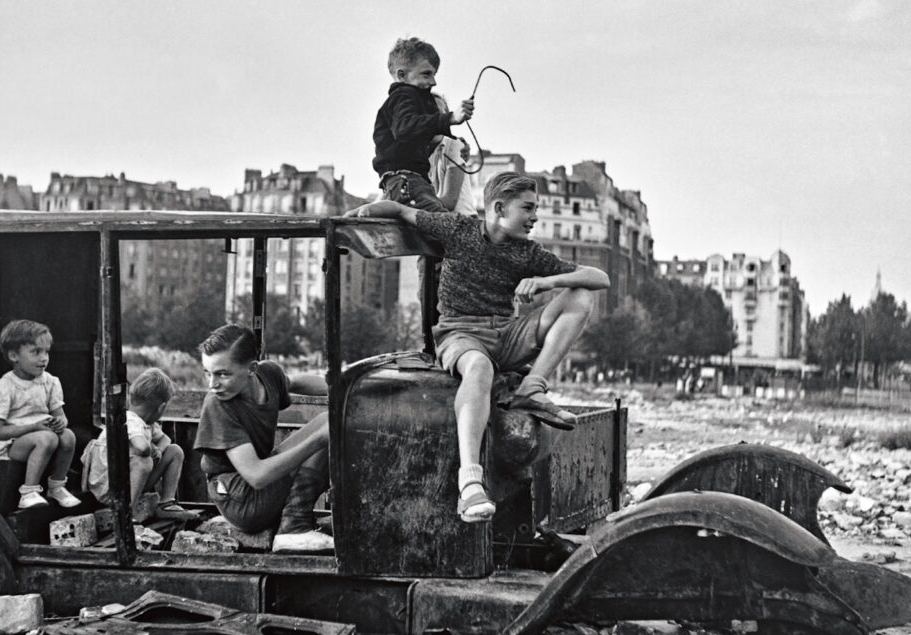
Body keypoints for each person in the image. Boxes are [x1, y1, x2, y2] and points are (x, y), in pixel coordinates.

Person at [345, 172, 610, 523]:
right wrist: (369, 209)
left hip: (506, 333)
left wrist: (548, 280)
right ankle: (470, 484)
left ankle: (533, 386)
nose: (535, 217)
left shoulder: (527, 252)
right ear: (499, 208)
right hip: (460, 334)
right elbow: (403, 211)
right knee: (479, 368)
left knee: (580, 295)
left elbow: (599, 278)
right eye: (527, 208)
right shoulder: (458, 229)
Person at [193, 324, 333, 553]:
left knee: (330, 420)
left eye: (223, 374)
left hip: (259, 488)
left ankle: (294, 520)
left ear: (252, 368)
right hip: (240, 500)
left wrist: (343, 387)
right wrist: (318, 440)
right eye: (208, 373)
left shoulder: (268, 374)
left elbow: (294, 382)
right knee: (324, 432)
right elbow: (257, 476)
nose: (212, 384)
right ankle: (293, 527)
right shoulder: (218, 405)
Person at [0, 319, 81, 510]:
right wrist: (34, 427)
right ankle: (29, 492)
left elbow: (62, 416)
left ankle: (56, 486)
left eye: (46, 352)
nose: (44, 358)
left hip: (40, 435)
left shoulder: (49, 382)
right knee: (46, 439)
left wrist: (60, 423)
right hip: (9, 446)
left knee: (68, 437)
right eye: (36, 352)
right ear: (14, 355)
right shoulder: (5, 387)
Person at [372, 37, 474, 212]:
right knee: (444, 225)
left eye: (434, 74)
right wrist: (449, 118)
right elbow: (405, 128)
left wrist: (458, 144)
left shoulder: (407, 99)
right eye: (426, 74)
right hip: (406, 180)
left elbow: (416, 135)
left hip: (409, 180)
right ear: (402, 75)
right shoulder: (404, 95)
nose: (434, 81)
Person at [80, 367, 194, 520]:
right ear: (161, 407)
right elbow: (141, 447)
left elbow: (165, 440)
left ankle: (166, 503)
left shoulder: (147, 423)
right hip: (109, 488)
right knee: (144, 462)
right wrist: (151, 450)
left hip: (128, 483)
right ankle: (126, 516)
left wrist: (158, 450)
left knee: (175, 451)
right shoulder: (130, 419)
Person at [428, 94, 477, 216]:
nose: (435, 119)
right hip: (436, 221)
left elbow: (450, 201)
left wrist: (408, 207)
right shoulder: (416, 152)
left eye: (440, 115)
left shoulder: (454, 145)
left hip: (462, 221)